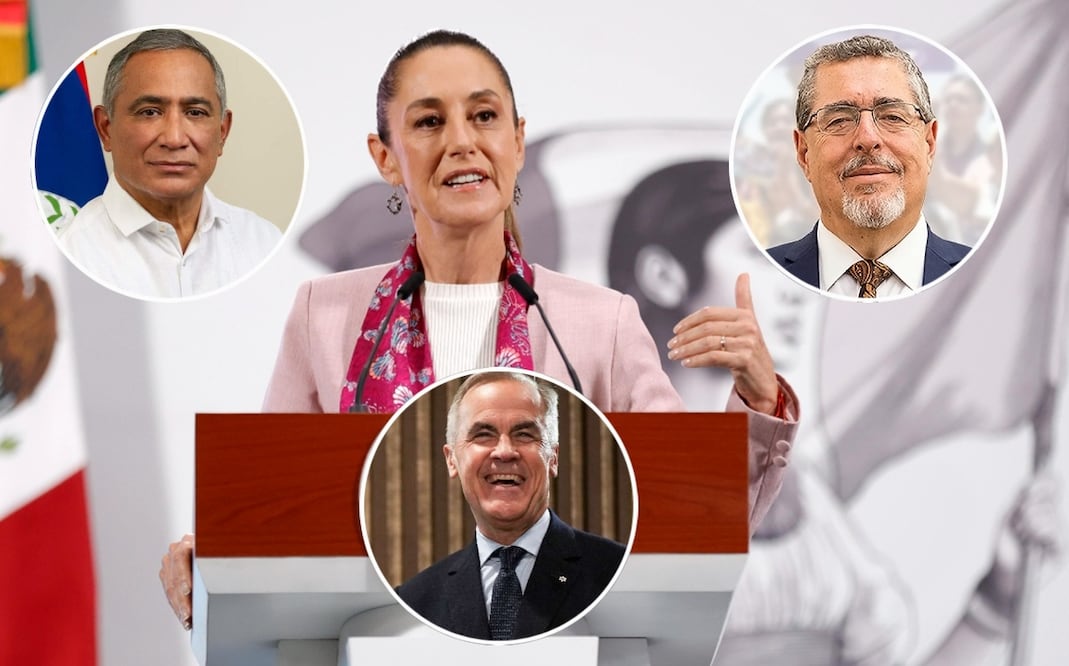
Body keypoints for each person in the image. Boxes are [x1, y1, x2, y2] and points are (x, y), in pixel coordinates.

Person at [161, 29, 799, 631]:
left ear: (517, 141)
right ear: (385, 157)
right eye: (429, 121)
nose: (462, 141)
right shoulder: (323, 315)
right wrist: (211, 561)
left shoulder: (600, 322)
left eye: (485, 116)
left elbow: (689, 523)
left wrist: (758, 398)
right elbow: (276, 512)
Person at [393, 371, 624, 640]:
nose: (504, 451)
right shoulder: (414, 601)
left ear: (553, 457)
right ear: (452, 460)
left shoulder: (618, 573)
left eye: (524, 434)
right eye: (483, 435)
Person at [56, 29, 281, 299]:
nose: (174, 139)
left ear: (222, 132)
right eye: (150, 112)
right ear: (105, 128)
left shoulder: (265, 243)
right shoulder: (69, 257)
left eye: (195, 112)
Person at [767, 34, 971, 299]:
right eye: (839, 120)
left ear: (929, 144)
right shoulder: (757, 278)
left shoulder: (985, 276)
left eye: (892, 117)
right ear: (804, 152)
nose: (867, 138)